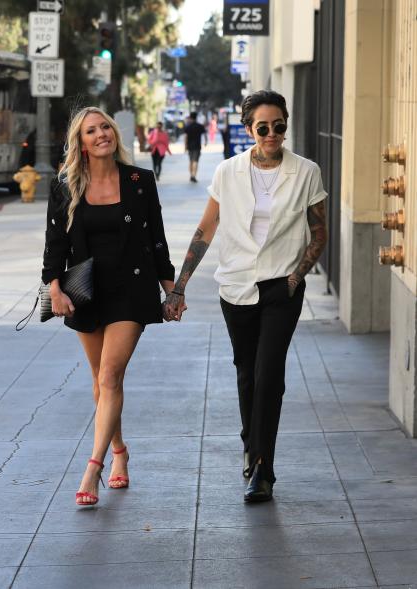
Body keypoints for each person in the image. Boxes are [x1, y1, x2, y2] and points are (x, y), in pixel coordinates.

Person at [165, 90, 328, 503]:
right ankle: (250, 443)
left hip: (281, 287)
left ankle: (262, 469)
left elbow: (319, 231)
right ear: (248, 128)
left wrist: (296, 277)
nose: (272, 134)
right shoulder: (229, 172)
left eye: (279, 126)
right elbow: (206, 230)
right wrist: (179, 286)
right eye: (263, 127)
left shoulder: (306, 171)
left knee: (269, 375)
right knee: (246, 373)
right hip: (236, 286)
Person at [42, 106, 177, 507]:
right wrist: (54, 288)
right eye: (91, 131)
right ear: (80, 143)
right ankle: (119, 450)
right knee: (100, 381)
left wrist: (172, 290)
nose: (101, 134)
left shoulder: (139, 180)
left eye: (105, 127)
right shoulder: (66, 185)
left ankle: (93, 467)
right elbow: (56, 245)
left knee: (110, 375)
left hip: (131, 289)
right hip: (86, 290)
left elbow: (156, 238)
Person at [184, 111, 207, 183]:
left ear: (191, 118)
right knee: (195, 161)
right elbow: (205, 135)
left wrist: (185, 146)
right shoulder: (200, 126)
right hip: (197, 146)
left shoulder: (188, 127)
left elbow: (186, 137)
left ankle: (191, 175)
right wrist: (206, 142)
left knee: (190, 161)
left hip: (190, 146)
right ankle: (194, 175)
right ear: (196, 117)